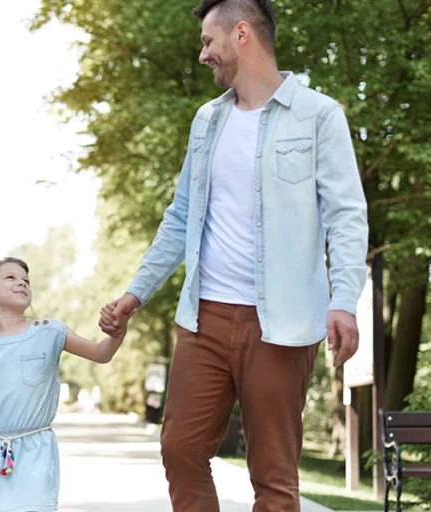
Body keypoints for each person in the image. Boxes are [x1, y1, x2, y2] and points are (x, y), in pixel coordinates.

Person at [100, 1, 369, 510]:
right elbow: (180, 217)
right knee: (179, 449)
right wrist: (136, 293)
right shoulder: (207, 121)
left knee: (273, 476)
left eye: (208, 41)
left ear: (242, 34)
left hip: (280, 324)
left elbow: (346, 216)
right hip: (204, 319)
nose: (203, 55)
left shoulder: (319, 116)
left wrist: (344, 299)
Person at [0, 257, 132, 512]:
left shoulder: (50, 332)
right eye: (11, 278)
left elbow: (101, 354)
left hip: (37, 448)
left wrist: (117, 332)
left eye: (25, 279)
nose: (22, 283)